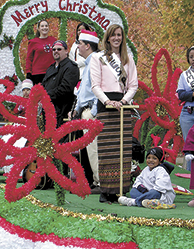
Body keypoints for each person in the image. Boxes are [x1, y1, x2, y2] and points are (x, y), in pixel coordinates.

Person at [90, 24, 138, 203]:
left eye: (119, 35)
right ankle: (106, 190)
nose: (117, 38)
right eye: (113, 35)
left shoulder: (128, 58)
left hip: (123, 105)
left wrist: (124, 101)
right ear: (108, 38)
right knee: (106, 149)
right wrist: (108, 101)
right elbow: (95, 85)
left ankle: (121, 189)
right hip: (106, 105)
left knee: (122, 150)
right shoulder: (98, 58)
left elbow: (133, 85)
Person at [68, 29, 100, 193]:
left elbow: (97, 87)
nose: (77, 47)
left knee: (94, 148)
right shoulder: (90, 62)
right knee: (89, 149)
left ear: (88, 45)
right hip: (85, 110)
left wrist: (93, 110)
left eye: (79, 43)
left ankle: (100, 181)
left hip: (91, 112)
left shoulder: (95, 60)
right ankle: (95, 180)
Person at [42, 40, 79, 128]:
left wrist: (47, 95)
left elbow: (65, 88)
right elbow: (43, 85)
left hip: (63, 111)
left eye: (59, 49)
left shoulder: (71, 67)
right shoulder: (50, 68)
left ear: (66, 51)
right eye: (54, 49)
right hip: (48, 111)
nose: (56, 51)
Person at [26, 20, 57, 85]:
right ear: (38, 29)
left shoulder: (54, 40)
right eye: (42, 26)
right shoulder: (33, 42)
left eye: (46, 26)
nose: (44, 28)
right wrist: (28, 72)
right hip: (38, 73)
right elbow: (29, 58)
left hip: (52, 72)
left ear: (48, 28)